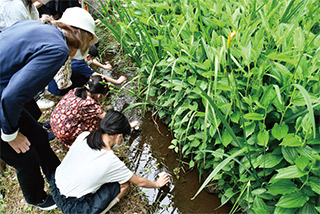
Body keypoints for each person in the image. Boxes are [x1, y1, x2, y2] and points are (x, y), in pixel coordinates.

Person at [0, 7, 98, 210]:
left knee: (38, 135)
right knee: (25, 157)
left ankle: (58, 176)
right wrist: (11, 135)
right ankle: (36, 198)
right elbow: (11, 97)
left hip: (3, 94)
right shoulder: (58, 49)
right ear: (81, 38)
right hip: (4, 97)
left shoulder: (38, 28)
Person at [49, 110, 170, 213]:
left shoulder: (84, 136)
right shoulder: (111, 161)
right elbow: (139, 182)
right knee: (124, 185)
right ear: (119, 136)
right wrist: (157, 184)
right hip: (73, 208)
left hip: (54, 184)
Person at [50, 75, 138, 148]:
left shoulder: (76, 90)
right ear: (99, 96)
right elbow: (110, 121)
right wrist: (129, 125)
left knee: (96, 116)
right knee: (100, 122)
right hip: (65, 134)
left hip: (55, 123)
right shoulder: (90, 104)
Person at [0, 0, 55, 109]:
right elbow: (20, 35)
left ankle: (37, 93)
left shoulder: (30, 6)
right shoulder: (15, 6)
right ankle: (36, 96)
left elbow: (35, 26)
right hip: (12, 45)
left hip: (21, 42)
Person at [48, 44, 126, 96]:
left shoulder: (76, 54)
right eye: (92, 58)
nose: (92, 60)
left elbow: (91, 60)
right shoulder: (80, 65)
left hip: (52, 82)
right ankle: (75, 92)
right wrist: (117, 81)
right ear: (88, 56)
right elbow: (98, 75)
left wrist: (104, 67)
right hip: (58, 89)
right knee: (86, 78)